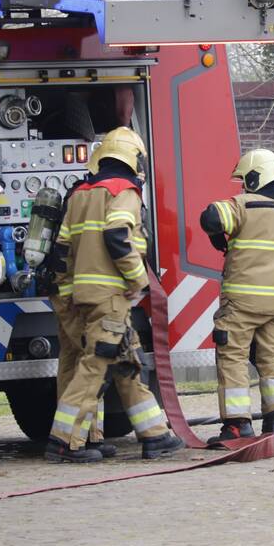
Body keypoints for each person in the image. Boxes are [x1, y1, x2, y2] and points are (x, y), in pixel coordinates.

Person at [46, 127, 183, 463]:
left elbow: (61, 250)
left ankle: (155, 435)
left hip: (82, 296)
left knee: (125, 360)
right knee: (94, 365)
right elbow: (118, 235)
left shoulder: (79, 194)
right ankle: (63, 441)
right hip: (111, 296)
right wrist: (139, 281)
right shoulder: (125, 191)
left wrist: (68, 296)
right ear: (134, 160)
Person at [200, 149, 274, 444]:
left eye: (245, 180)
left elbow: (210, 217)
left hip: (243, 303)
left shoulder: (245, 205)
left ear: (256, 178)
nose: (243, 187)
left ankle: (236, 427)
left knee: (233, 358)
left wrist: (218, 236)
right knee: (272, 360)